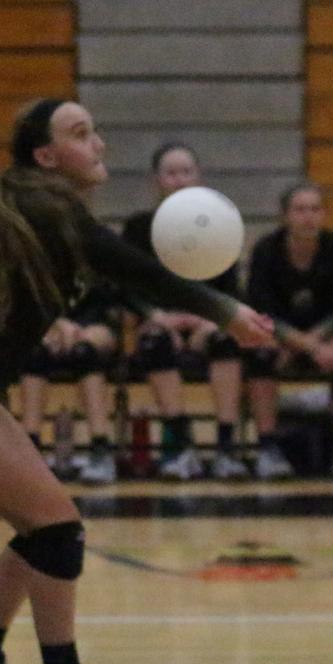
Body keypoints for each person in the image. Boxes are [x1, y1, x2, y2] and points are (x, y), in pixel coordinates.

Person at [0, 98, 273, 664]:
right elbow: (131, 267)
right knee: (59, 529)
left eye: (95, 132)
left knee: (41, 531)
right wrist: (226, 311)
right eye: (81, 134)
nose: (99, 144)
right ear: (47, 155)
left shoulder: (33, 204)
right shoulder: (41, 205)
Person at [120, 143, 247, 480]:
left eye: (186, 172)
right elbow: (126, 288)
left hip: (206, 321)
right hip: (160, 321)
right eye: (171, 173)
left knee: (226, 342)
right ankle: (181, 446)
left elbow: (231, 291)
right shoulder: (137, 228)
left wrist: (212, 320)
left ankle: (225, 449)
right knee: (154, 343)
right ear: (156, 181)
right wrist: (156, 316)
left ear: (198, 177)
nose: (179, 180)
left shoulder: (219, 224)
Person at [245, 183, 333, 479]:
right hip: (279, 336)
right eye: (300, 210)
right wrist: (301, 344)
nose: (308, 217)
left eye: (315, 209)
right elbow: (262, 311)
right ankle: (268, 448)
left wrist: (311, 343)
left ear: (324, 214)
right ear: (285, 216)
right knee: (260, 351)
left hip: (325, 336)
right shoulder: (266, 250)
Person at [17, 280, 123, 486]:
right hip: (46, 322)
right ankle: (31, 449)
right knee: (34, 353)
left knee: (84, 352)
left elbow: (112, 295)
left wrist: (79, 329)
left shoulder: (99, 252)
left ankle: (100, 447)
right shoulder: (37, 252)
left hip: (96, 322)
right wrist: (55, 324)